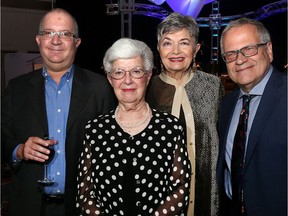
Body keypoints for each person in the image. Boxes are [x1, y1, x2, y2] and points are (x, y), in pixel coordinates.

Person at [1, 8, 116, 216]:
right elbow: (3, 136)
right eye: (48, 33)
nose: (56, 40)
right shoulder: (16, 88)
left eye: (65, 34)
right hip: (29, 206)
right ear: (38, 40)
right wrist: (19, 150)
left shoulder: (100, 88)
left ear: (77, 42)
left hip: (82, 206)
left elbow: (111, 149)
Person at [75, 37, 191, 215]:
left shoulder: (171, 128)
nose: (127, 80)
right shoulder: (95, 130)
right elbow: (84, 194)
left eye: (136, 71)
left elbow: (180, 190)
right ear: (110, 78)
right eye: (119, 72)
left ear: (148, 75)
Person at [146, 12, 225, 216]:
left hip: (204, 197)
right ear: (158, 48)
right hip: (157, 200)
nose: (175, 51)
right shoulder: (146, 89)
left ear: (196, 48)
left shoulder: (213, 86)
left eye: (183, 43)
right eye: (167, 43)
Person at [216, 17, 287, 216]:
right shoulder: (227, 105)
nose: (240, 59)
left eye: (249, 49)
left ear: (269, 50)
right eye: (231, 54)